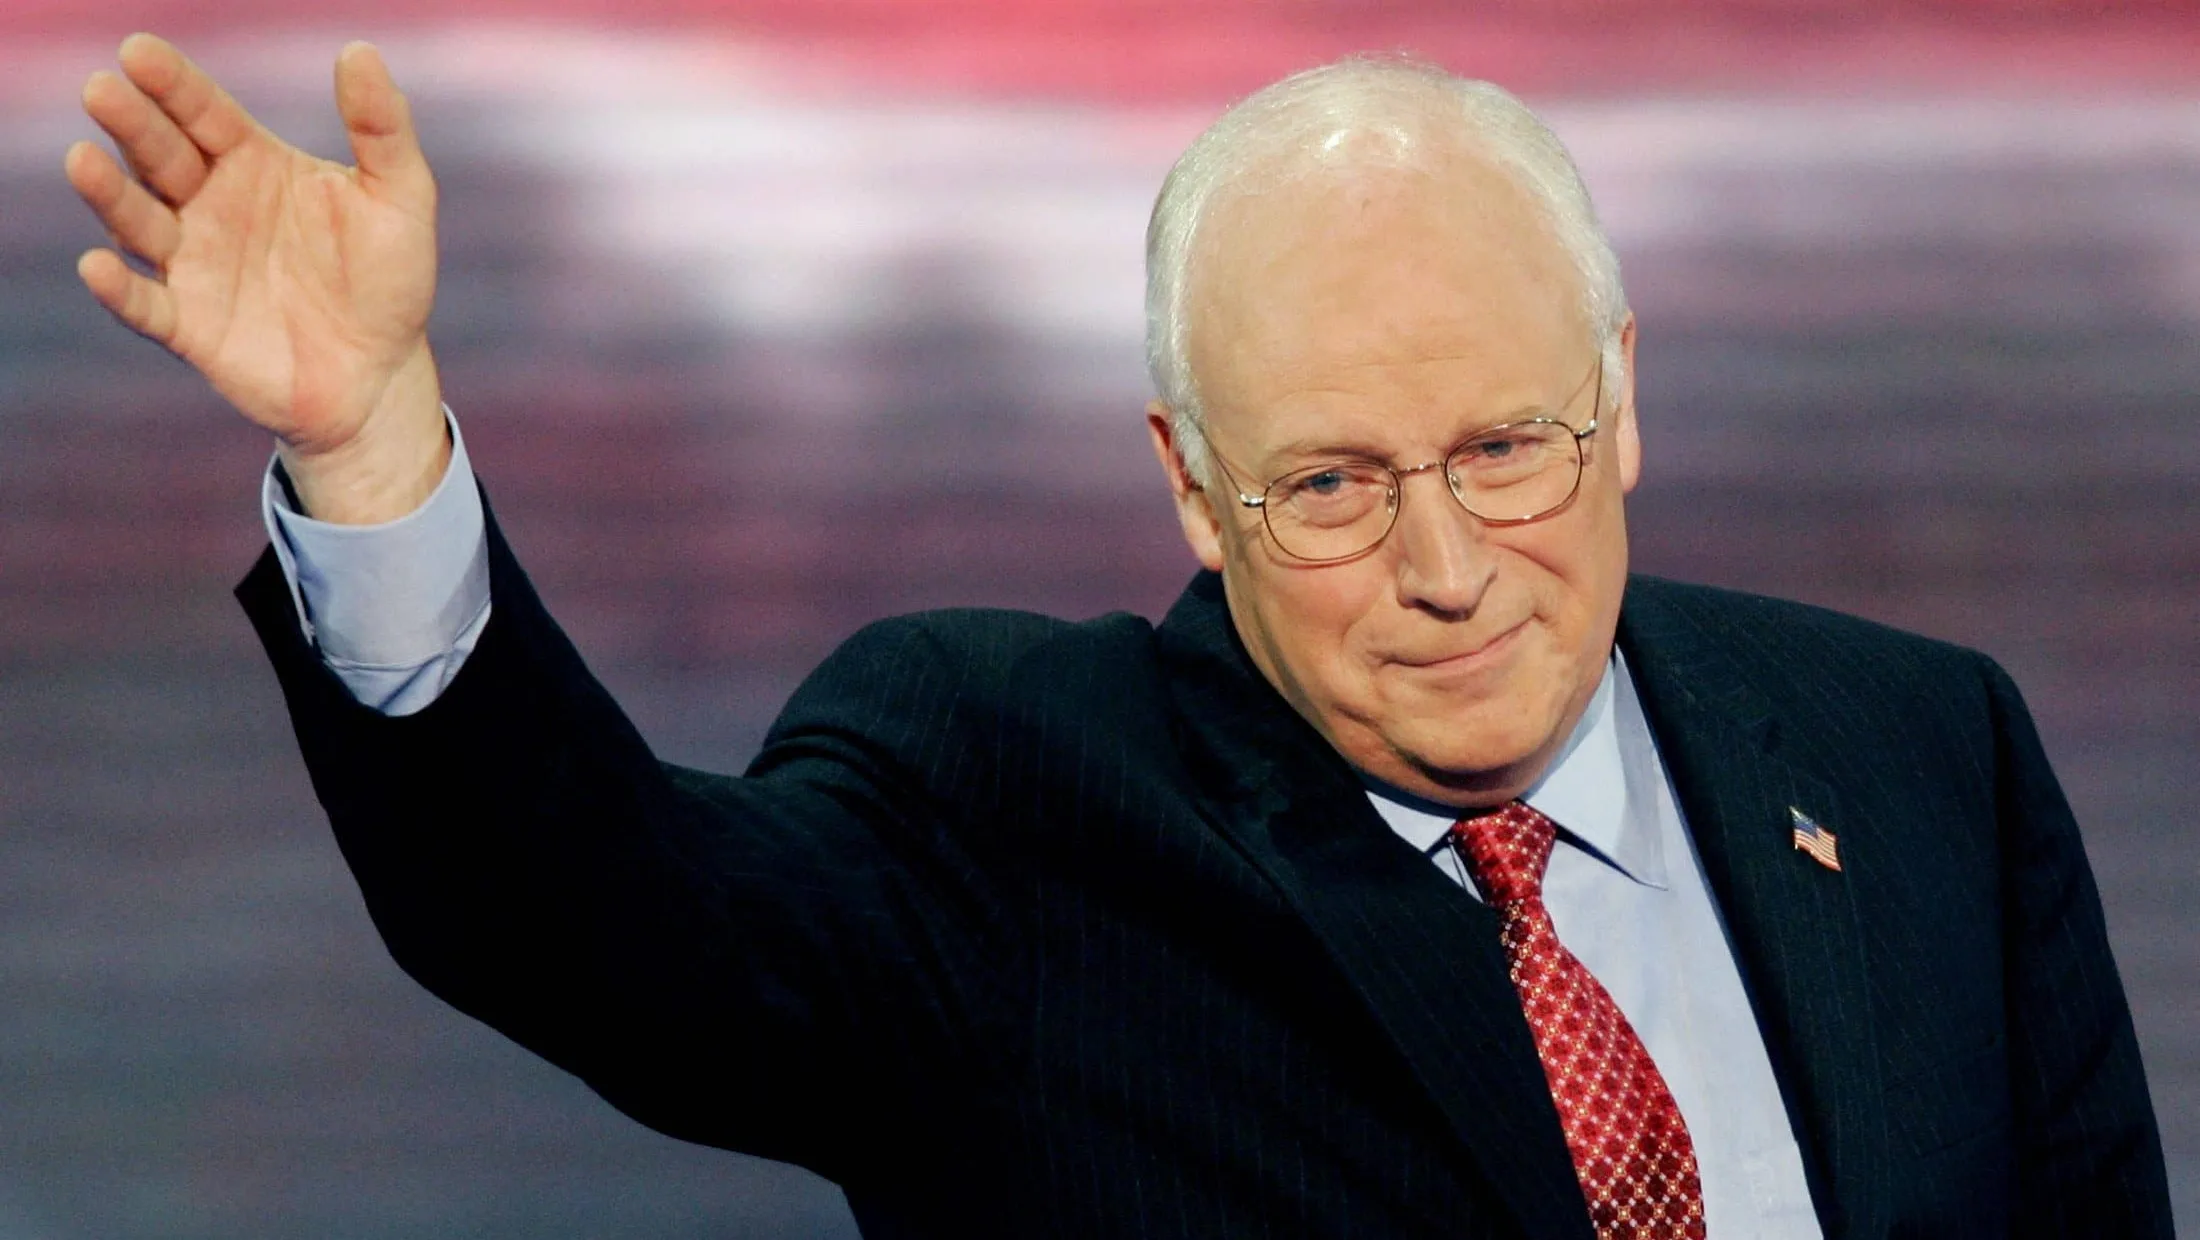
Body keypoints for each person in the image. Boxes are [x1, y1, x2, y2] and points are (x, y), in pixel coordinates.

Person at [66, 33, 2170, 1240]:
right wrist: (376, 455)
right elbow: (614, 924)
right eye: (1332, 484)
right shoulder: (1014, 796)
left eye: (1506, 447)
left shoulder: (1914, 754)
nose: (1447, 564)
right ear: (1190, 483)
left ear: (1619, 394)